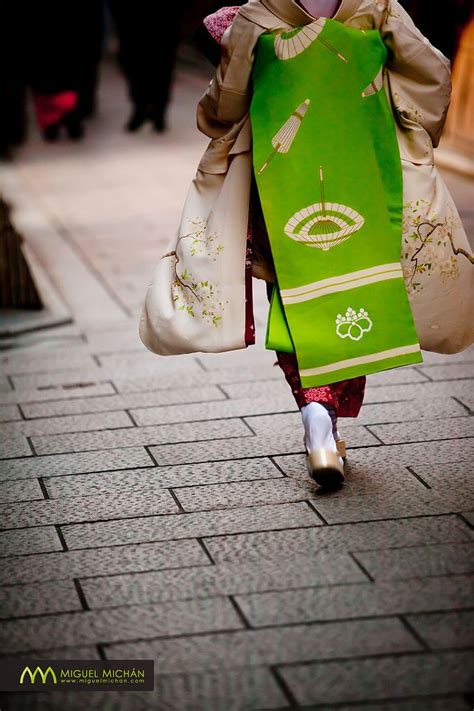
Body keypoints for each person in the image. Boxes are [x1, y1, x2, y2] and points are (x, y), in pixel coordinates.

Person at [140, 0, 473, 488]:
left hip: (282, 185)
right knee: (355, 290)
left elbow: (222, 109)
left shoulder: (257, 17)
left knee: (295, 293)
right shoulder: (376, 9)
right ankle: (327, 416)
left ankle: (317, 421)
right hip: (364, 175)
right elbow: (431, 77)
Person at [108, 1, 183, 132]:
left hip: (165, 23)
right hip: (133, 23)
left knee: (162, 68)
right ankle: (141, 107)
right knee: (136, 67)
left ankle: (158, 110)